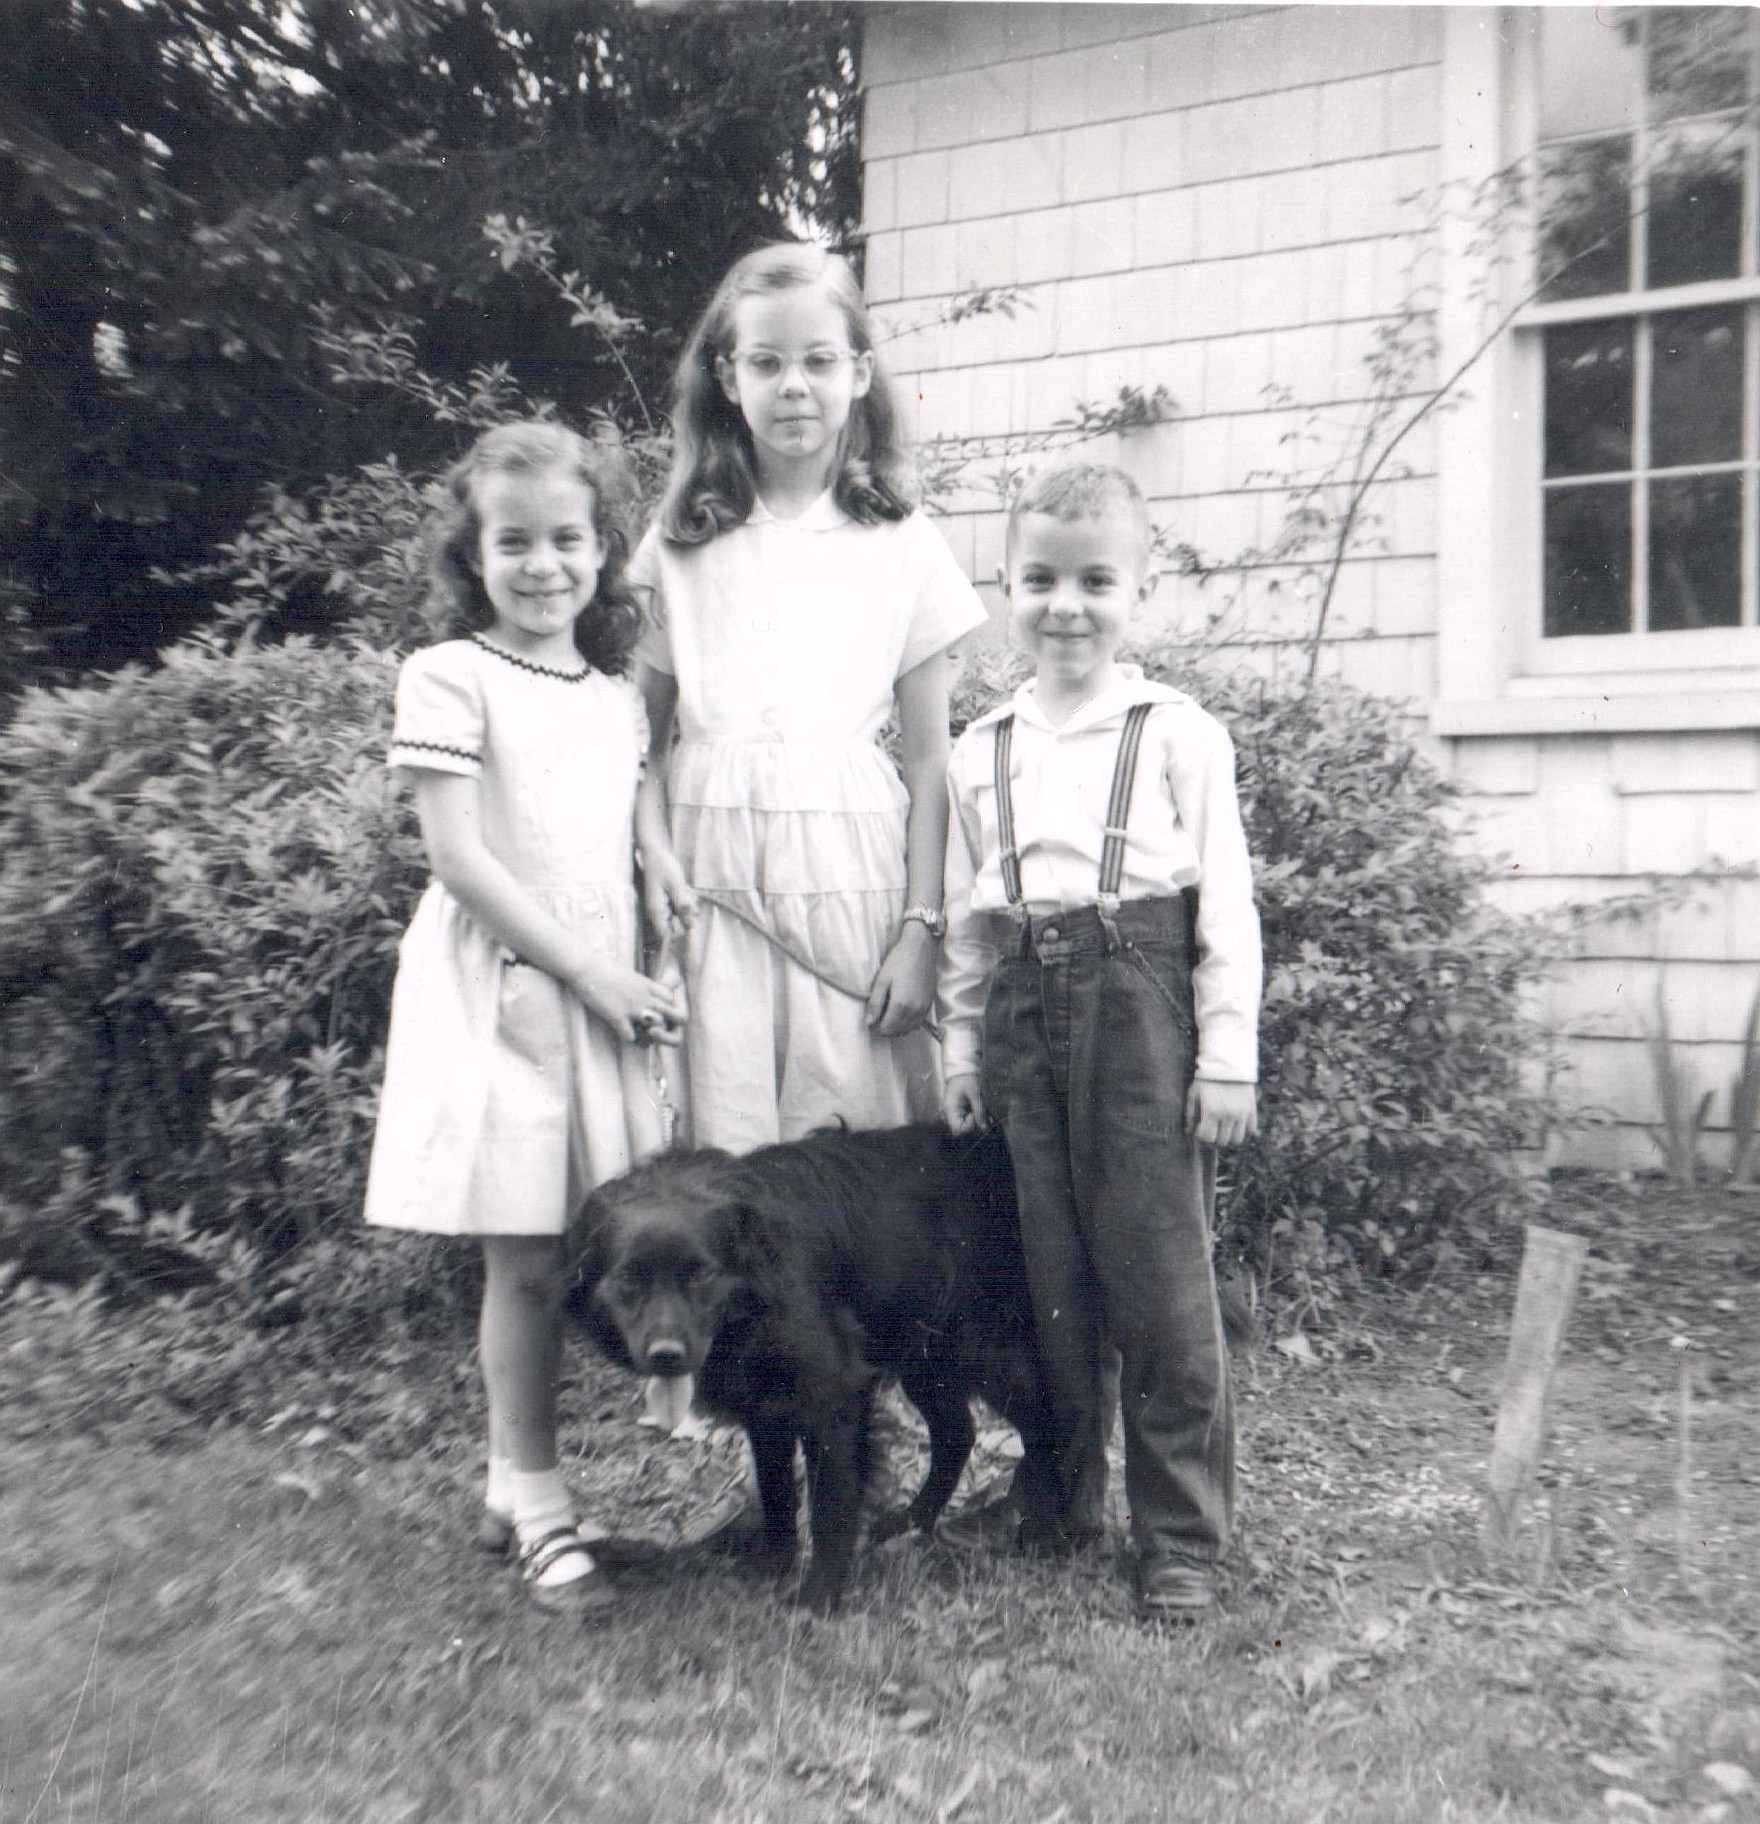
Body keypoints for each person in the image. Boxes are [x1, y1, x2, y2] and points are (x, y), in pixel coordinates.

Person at [363, 421, 690, 1615]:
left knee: (570, 1247)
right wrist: (594, 977)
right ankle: (540, 1497)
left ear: (604, 549)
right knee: (524, 1256)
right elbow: (461, 860)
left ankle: (515, 1484)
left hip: (599, 981)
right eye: (515, 543)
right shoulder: (448, 675)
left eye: (568, 540)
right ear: (473, 555)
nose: (544, 565)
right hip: (506, 988)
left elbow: (627, 806)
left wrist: (659, 870)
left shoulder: (610, 696)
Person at [939, 463, 1262, 1623]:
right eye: (1038, 580)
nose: (1063, 605)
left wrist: (1227, 1055)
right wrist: (961, 1053)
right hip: (1024, 1012)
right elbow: (969, 922)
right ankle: (1061, 1496)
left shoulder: (1177, 733)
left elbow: (1224, 906)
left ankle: (1178, 1536)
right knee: (1048, 1280)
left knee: (1162, 1288)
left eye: (1093, 581)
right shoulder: (979, 747)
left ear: (1140, 588)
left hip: (1140, 1015)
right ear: (1005, 587)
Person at [629, 241, 987, 1155]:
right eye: (767, 362)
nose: (795, 386)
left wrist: (920, 931)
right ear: (727, 375)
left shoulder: (900, 543)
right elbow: (640, 739)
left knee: (847, 1156)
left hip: (851, 880)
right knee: (724, 1140)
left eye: (819, 361)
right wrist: (654, 854)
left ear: (860, 373)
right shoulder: (683, 542)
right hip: (711, 880)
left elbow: (929, 759)